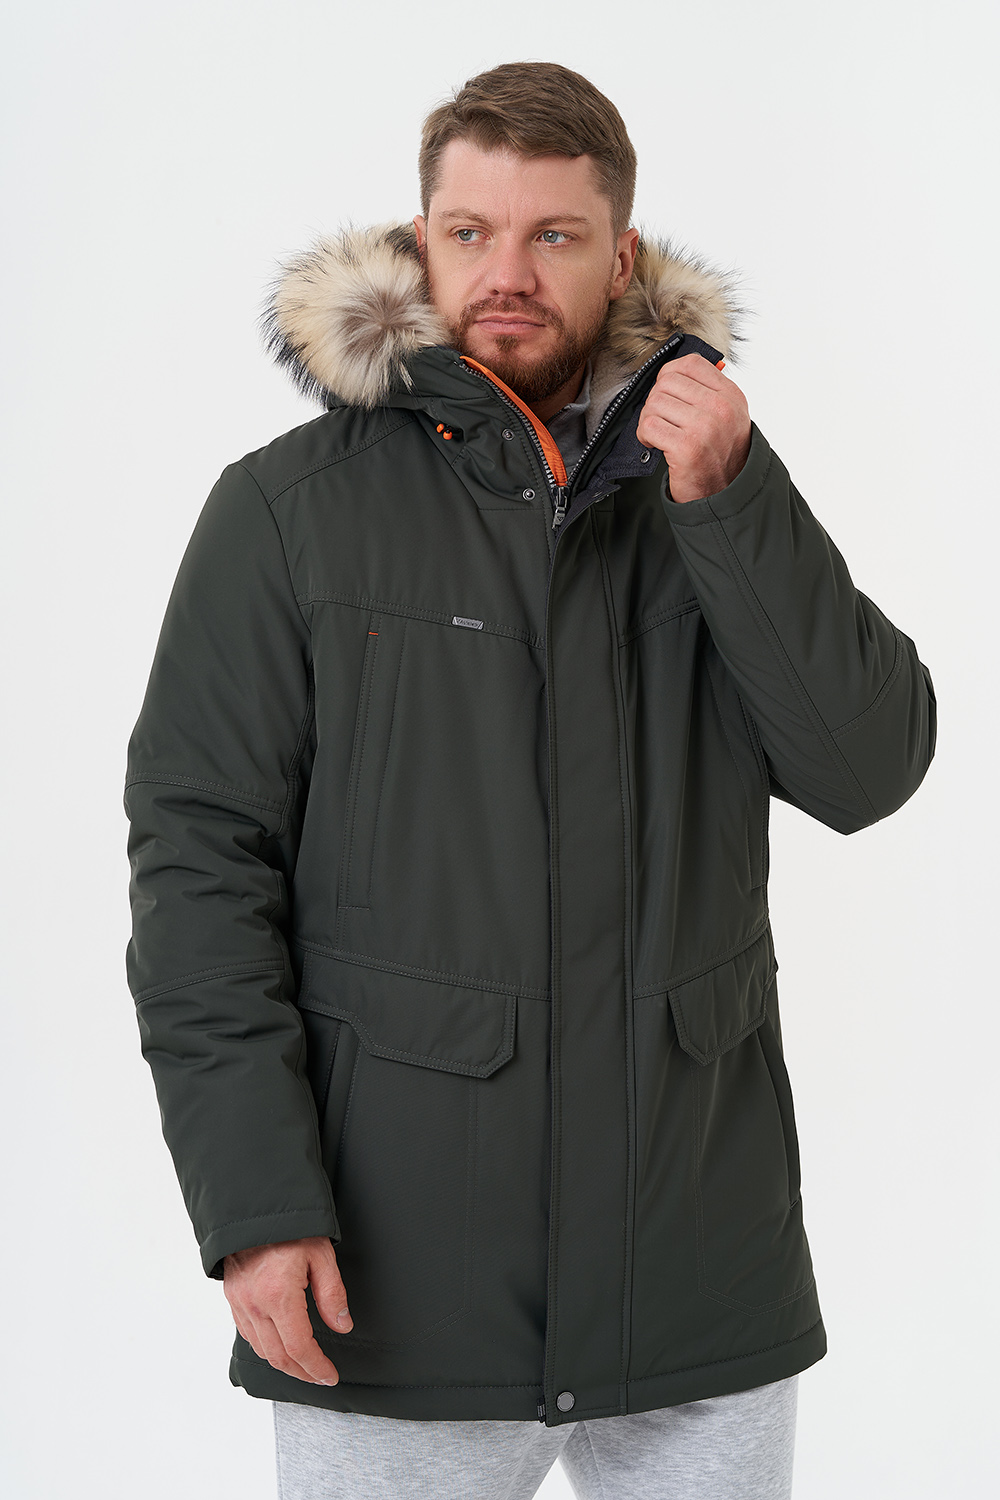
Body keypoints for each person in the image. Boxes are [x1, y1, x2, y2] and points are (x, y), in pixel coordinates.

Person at [124, 60, 936, 1500]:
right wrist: (252, 1201)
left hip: (696, 1280)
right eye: (471, 232)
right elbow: (198, 866)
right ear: (419, 243)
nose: (508, 273)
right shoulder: (289, 513)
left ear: (620, 256)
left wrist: (736, 503)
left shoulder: (709, 487)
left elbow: (869, 767)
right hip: (394, 1291)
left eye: (553, 234)